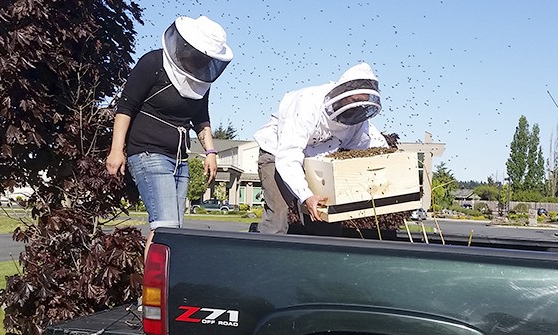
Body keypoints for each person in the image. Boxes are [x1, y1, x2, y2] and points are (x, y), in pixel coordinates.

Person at [106, 15, 233, 258]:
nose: (202, 61)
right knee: (165, 227)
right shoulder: (153, 62)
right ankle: (154, 293)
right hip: (147, 152)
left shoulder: (201, 81)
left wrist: (211, 152)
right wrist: (116, 150)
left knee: (175, 231)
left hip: (179, 159)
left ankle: (164, 288)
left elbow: (201, 118)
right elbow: (125, 108)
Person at [253, 62, 389, 234]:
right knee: (278, 216)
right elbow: (288, 156)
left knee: (325, 217)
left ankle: (320, 260)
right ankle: (266, 259)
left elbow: (375, 147)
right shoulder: (306, 104)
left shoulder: (357, 120)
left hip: (316, 162)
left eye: (362, 103)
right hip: (277, 153)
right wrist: (306, 196)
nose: (358, 107)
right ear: (344, 93)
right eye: (355, 101)